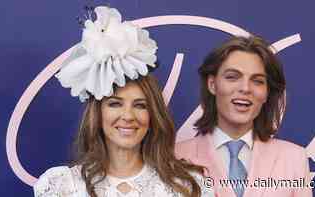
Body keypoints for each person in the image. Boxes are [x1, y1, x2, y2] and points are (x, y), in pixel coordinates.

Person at [34, 5, 213, 197]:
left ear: (153, 114)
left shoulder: (188, 185)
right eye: (115, 103)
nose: (128, 116)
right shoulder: (61, 186)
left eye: (140, 105)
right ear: (97, 112)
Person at [175, 35, 313, 197]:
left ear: (267, 92)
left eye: (257, 81)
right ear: (212, 84)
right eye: (232, 77)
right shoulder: (175, 157)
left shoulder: (294, 157)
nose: (245, 88)